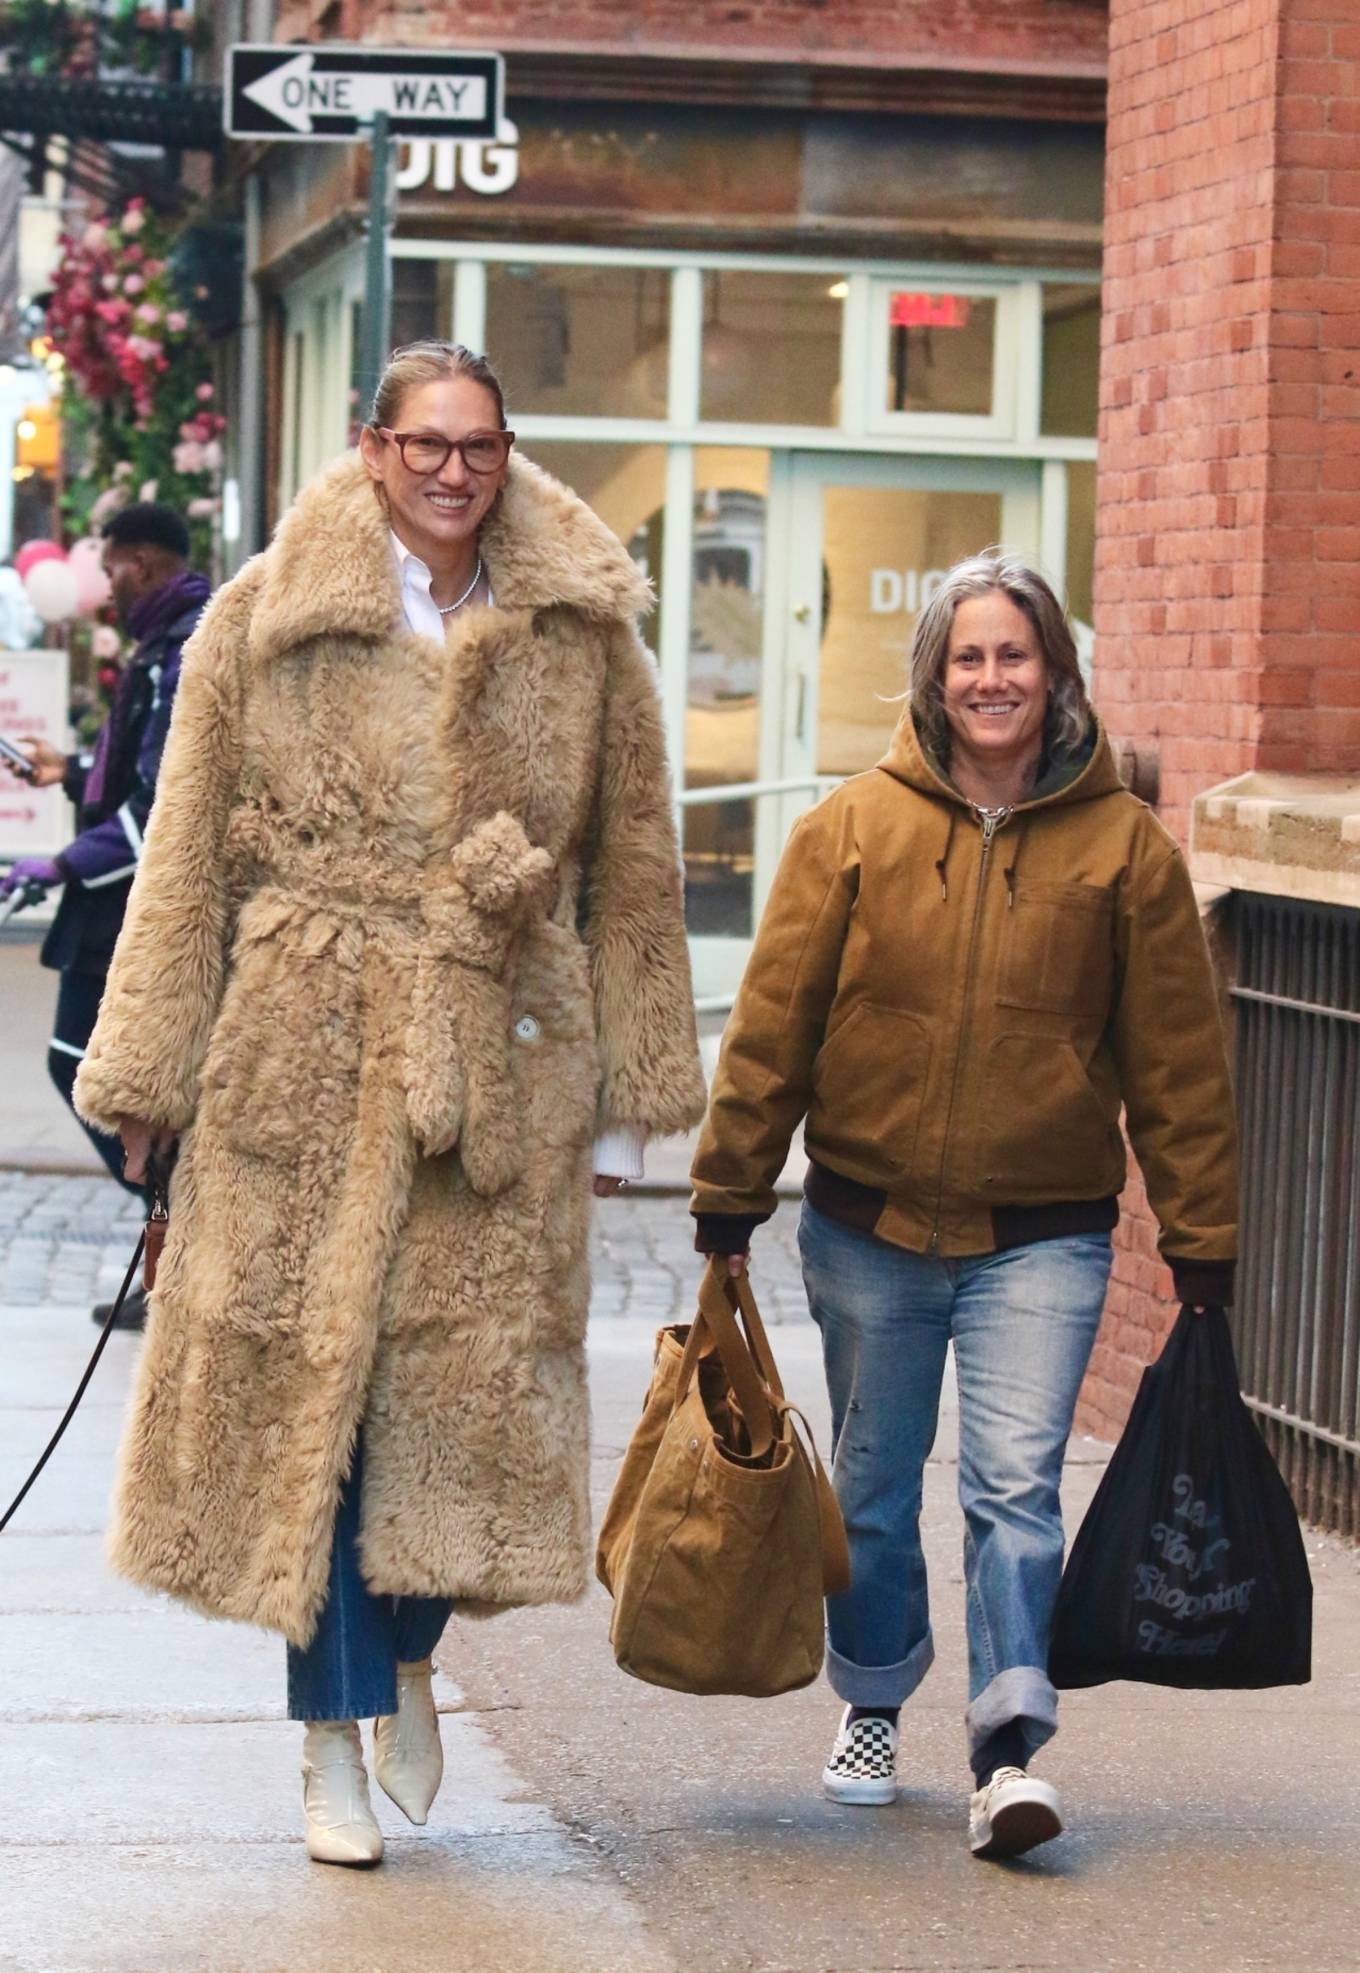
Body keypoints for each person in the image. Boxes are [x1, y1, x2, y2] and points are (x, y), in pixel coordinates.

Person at [72, 341, 705, 1868]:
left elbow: (633, 868)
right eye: (425, 443)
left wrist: (628, 1102)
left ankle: (412, 1642)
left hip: (499, 1056)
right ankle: (330, 1740)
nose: (452, 470)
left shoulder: (581, 638)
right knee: (324, 1407)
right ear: (371, 450)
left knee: (470, 1398)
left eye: (479, 445)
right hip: (302, 1049)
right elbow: (188, 870)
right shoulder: (261, 619)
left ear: (508, 457)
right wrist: (149, 1074)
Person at [689, 550, 1238, 1860]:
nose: (993, 678)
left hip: (1042, 1234)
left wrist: (1204, 1238)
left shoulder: (1122, 852)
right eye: (970, 657)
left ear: (1057, 674)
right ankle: (875, 1694)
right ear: (936, 678)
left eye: (1016, 654)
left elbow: (1178, 1063)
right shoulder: (852, 832)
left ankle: (1006, 1747)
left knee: (1014, 1488)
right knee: (875, 1491)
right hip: (868, 1226)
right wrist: (731, 1188)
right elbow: (775, 1027)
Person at [1, 504, 210, 1331]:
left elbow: (162, 802)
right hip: (116, 896)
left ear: (148, 563)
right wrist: (70, 769)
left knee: (88, 1069)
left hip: (135, 900)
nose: (106, 585)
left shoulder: (182, 649)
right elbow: (138, 770)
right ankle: (173, 1249)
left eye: (116, 566)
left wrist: (59, 862)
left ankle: (189, 1242)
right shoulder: (162, 643)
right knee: (91, 1070)